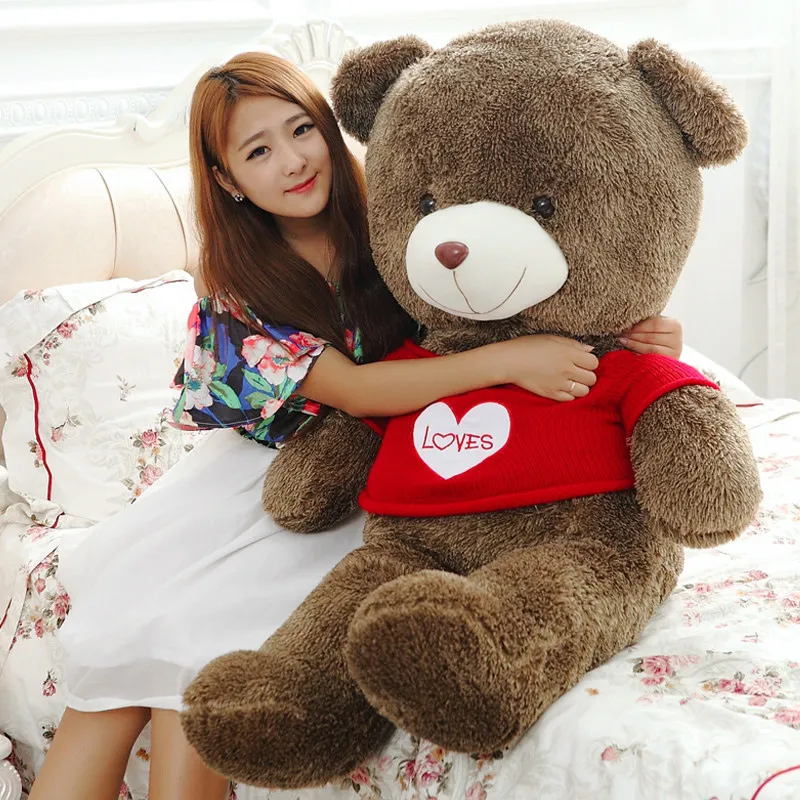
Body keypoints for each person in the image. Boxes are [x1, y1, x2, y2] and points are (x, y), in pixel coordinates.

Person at [29, 52, 683, 800]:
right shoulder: (236, 285)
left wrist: (635, 336)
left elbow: (513, 295)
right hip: (274, 479)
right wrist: (509, 361)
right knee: (130, 663)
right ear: (227, 180)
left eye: (301, 129)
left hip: (400, 458)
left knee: (182, 655)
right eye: (258, 151)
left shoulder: (402, 221)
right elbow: (359, 391)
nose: (293, 160)